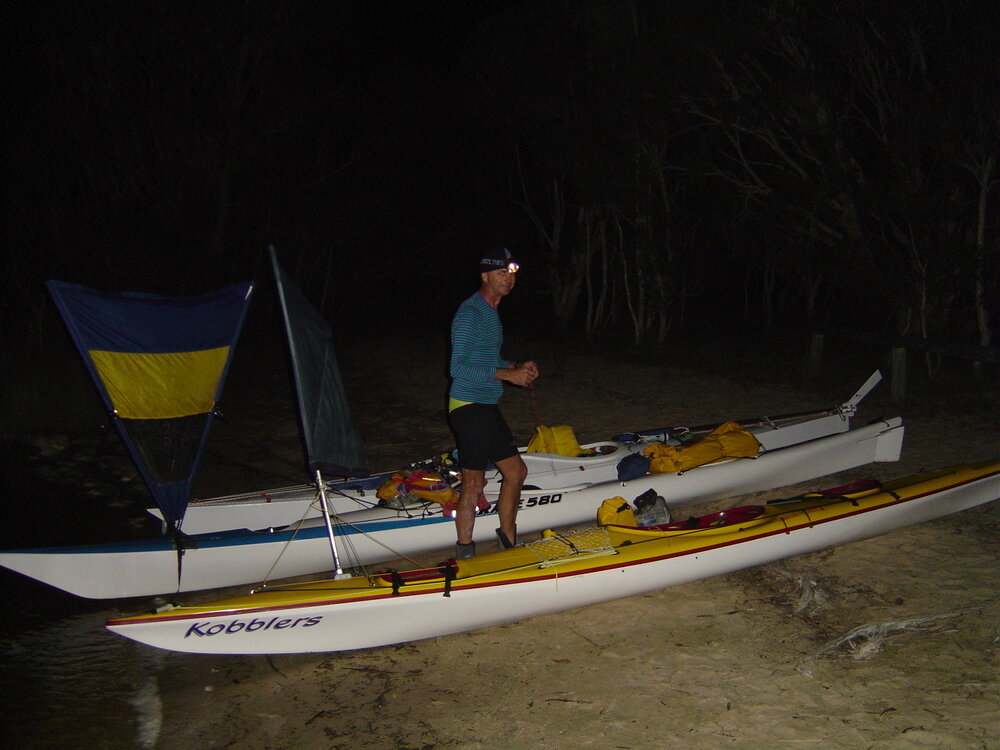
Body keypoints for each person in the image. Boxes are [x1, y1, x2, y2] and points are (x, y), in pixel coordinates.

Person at [448, 246, 539, 559]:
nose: (508, 279)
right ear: (484, 275)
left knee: (516, 472)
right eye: (501, 273)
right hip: (467, 406)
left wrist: (516, 369)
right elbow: (457, 367)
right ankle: (464, 551)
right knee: (474, 480)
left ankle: (508, 539)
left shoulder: (492, 314)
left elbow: (486, 360)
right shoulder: (471, 313)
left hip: (485, 405)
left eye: (511, 274)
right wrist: (506, 374)